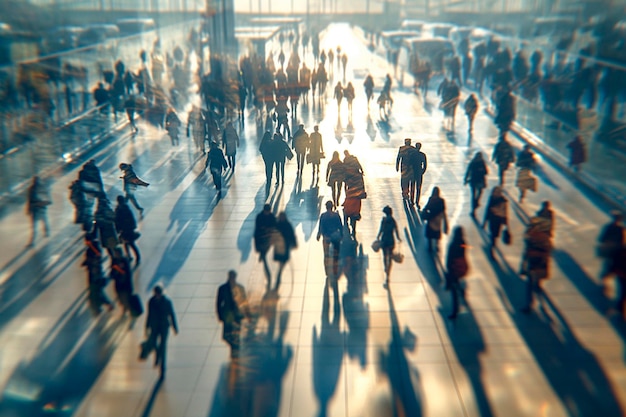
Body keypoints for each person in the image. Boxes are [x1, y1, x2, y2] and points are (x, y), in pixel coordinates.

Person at [521, 215, 553, 313]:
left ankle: (529, 305)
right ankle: (540, 302)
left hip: (534, 264)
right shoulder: (545, 238)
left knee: (530, 285)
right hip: (541, 264)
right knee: (536, 284)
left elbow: (527, 252)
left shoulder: (533, 237)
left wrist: (523, 265)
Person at [146, 285, 178, 380]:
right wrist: (147, 326)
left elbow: (172, 314)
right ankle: (157, 355)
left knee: (163, 346)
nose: (157, 296)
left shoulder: (167, 302)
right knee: (155, 343)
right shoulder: (151, 302)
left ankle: (162, 369)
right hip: (155, 326)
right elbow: (149, 314)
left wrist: (174, 326)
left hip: (164, 326)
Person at [217, 270, 249, 358]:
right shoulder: (222, 289)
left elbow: (245, 302)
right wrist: (220, 315)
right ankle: (234, 348)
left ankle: (235, 352)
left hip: (237, 315)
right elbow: (218, 303)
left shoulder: (240, 288)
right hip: (227, 315)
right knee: (226, 336)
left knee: (236, 335)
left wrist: (247, 313)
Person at [83, 236, 114, 315]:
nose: (85, 243)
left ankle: (102, 305)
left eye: (86, 241)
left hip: (96, 274)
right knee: (95, 290)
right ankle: (100, 305)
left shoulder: (95, 248)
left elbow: (97, 258)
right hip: (92, 272)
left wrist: (90, 261)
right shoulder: (90, 248)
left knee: (96, 290)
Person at [446, 227, 469, 319]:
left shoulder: (453, 245)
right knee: (458, 283)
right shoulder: (463, 243)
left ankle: (455, 311)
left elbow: (449, 258)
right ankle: (463, 293)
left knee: (454, 292)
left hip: (453, 268)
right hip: (461, 267)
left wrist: (448, 268)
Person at [317, 201, 343, 279]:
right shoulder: (336, 215)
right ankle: (335, 269)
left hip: (326, 237)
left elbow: (321, 226)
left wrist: (319, 234)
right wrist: (341, 235)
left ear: (326, 207)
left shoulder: (323, 216)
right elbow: (340, 226)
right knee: (336, 254)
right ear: (332, 207)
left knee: (326, 254)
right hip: (335, 237)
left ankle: (327, 270)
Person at [377, 206, 401, 284]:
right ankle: (388, 272)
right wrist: (398, 238)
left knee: (384, 256)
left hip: (384, 240)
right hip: (391, 240)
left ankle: (385, 267)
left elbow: (381, 229)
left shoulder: (384, 220)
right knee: (390, 257)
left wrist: (378, 236)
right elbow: (396, 230)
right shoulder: (393, 221)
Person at [114, 195, 141, 265]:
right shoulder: (127, 208)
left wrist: (117, 230)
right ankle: (136, 257)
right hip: (129, 229)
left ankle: (130, 256)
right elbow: (132, 218)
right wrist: (133, 226)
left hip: (124, 230)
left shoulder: (118, 209)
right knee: (130, 243)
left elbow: (117, 220)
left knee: (127, 243)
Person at [255, 204, 277, 287]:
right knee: (264, 259)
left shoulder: (271, 217)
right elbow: (257, 231)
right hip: (262, 240)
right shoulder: (260, 217)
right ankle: (269, 276)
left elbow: (275, 226)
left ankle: (262, 254)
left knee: (264, 255)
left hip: (268, 240)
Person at [274, 212, 297, 290]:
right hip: (280, 246)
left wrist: (293, 243)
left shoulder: (285, 225)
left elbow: (291, 234)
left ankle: (279, 272)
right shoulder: (281, 224)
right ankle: (279, 273)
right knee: (282, 260)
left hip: (284, 245)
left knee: (283, 260)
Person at [597, 211, 625, 279]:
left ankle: (605, 281)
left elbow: (601, 239)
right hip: (618, 253)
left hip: (609, 252)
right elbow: (624, 243)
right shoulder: (622, 230)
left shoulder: (608, 227)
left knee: (608, 267)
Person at [483, 186, 508, 256]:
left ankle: (492, 244)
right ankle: (492, 247)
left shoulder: (503, 201)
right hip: (493, 219)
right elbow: (488, 209)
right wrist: (485, 220)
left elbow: (505, 212)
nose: (495, 194)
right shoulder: (492, 199)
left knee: (496, 234)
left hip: (499, 220)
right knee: (493, 234)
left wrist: (506, 222)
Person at [26, 176, 51, 247]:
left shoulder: (38, 188)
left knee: (39, 223)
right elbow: (29, 200)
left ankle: (45, 232)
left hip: (39, 208)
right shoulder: (33, 189)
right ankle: (33, 240)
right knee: (36, 225)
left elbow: (47, 200)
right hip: (37, 209)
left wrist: (30, 207)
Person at [422, 187, 448, 252]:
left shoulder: (431, 199)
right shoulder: (441, 201)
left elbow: (427, 207)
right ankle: (436, 245)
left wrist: (424, 213)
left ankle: (430, 246)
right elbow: (443, 211)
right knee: (437, 232)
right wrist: (445, 223)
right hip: (438, 219)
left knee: (430, 233)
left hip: (431, 219)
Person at [464, 152, 488, 217]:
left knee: (475, 194)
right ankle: (476, 203)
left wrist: (465, 179)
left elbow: (468, 171)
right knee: (478, 193)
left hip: (474, 180)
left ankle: (474, 206)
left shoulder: (474, 162)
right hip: (478, 180)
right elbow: (486, 172)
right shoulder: (481, 163)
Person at [111, 247, 133, 315]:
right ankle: (124, 306)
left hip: (125, 284)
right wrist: (113, 274)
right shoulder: (114, 260)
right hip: (118, 283)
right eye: (115, 254)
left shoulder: (125, 261)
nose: (116, 255)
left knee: (126, 298)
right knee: (120, 297)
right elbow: (112, 270)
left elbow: (128, 273)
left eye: (117, 254)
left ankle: (127, 309)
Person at [411, 143, 428, 207]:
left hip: (413, 172)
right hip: (419, 173)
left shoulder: (412, 154)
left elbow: (409, 163)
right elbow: (425, 165)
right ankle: (417, 202)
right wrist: (422, 172)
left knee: (412, 187)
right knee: (418, 188)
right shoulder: (422, 155)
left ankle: (412, 201)